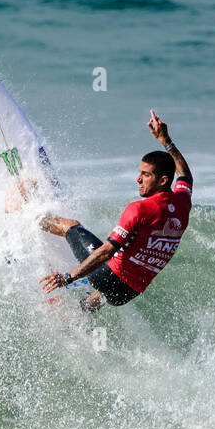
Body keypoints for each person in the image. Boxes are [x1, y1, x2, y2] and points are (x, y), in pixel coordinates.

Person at [39, 110, 192, 311]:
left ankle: (31, 216)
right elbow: (184, 173)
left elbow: (105, 253)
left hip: (107, 277)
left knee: (72, 227)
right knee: (109, 286)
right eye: (139, 172)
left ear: (163, 181)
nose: (138, 179)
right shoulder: (182, 202)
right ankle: (80, 311)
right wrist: (166, 141)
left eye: (145, 175)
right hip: (127, 293)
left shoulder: (140, 209)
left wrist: (67, 277)